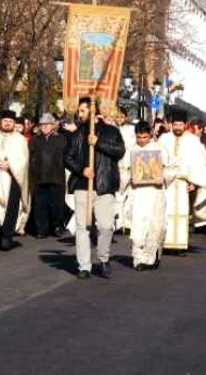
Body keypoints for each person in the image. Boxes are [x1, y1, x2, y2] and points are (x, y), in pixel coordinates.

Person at [64, 97, 126, 279]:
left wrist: (97, 143)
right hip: (83, 186)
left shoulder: (111, 131)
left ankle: (104, 257)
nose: (79, 114)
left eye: (83, 110)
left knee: (106, 226)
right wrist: (81, 169)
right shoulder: (76, 134)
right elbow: (67, 157)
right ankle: (84, 266)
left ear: (92, 111)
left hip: (104, 185)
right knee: (82, 227)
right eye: (79, 111)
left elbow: (119, 151)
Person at [159, 109, 206, 252]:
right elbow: (157, 158)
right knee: (165, 211)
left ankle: (180, 245)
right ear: (171, 124)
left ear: (185, 125)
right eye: (175, 124)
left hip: (183, 182)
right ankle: (165, 243)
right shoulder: (163, 139)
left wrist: (194, 182)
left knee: (182, 213)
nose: (178, 127)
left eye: (180, 124)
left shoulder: (192, 141)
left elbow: (198, 162)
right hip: (166, 182)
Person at [120, 121, 169, 270]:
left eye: (144, 137)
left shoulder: (160, 149)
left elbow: (172, 168)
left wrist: (161, 177)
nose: (142, 140)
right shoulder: (130, 150)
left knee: (155, 226)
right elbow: (123, 170)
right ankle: (138, 258)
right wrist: (130, 177)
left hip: (155, 193)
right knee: (138, 226)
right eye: (139, 137)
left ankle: (151, 256)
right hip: (138, 194)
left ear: (150, 135)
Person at [0, 110, 29, 250]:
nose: (7, 123)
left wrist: (10, 164)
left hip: (13, 178)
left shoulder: (20, 139)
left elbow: (23, 160)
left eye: (10, 121)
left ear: (14, 123)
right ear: (0, 122)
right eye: (5, 121)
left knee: (11, 208)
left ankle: (7, 236)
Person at [29, 113, 66, 239]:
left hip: (56, 176)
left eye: (47, 124)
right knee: (40, 204)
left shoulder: (61, 139)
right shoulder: (34, 140)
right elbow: (30, 158)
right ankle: (41, 229)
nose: (45, 126)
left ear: (53, 125)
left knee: (57, 204)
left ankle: (57, 227)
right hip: (39, 176)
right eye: (42, 124)